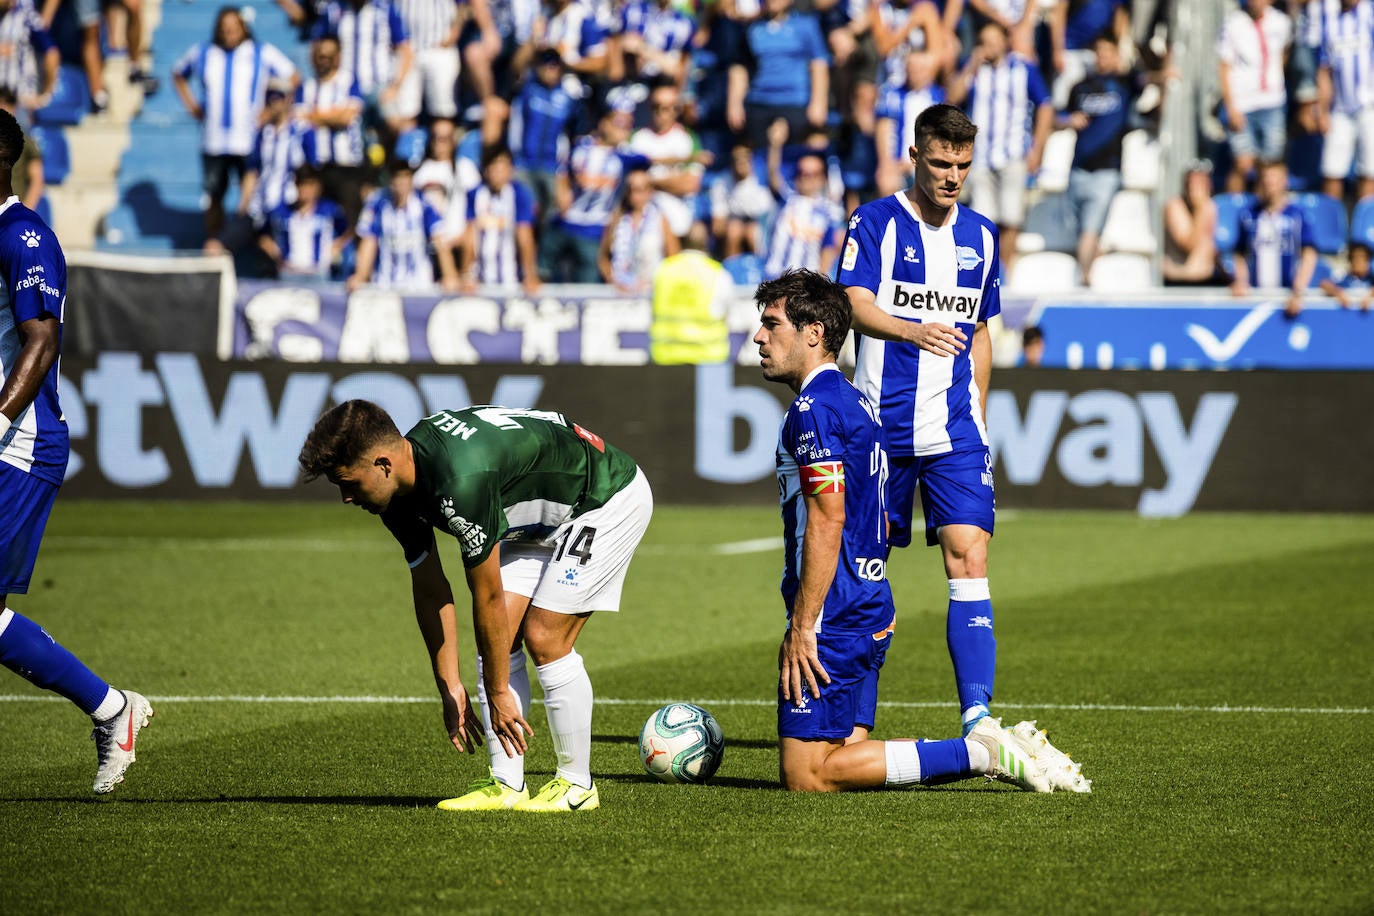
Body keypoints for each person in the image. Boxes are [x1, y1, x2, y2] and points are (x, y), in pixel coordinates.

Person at [752, 267, 1083, 794]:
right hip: (870, 602)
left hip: (835, 614)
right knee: (849, 756)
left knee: (809, 775)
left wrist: (803, 624)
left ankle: (980, 754)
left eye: (772, 324)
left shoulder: (813, 411)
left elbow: (828, 517)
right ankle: (976, 753)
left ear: (813, 332)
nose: (759, 337)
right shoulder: (857, 402)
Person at [297, 399, 655, 811]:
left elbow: (485, 596)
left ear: (382, 464)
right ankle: (507, 785)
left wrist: (498, 691)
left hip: (603, 498)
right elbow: (431, 589)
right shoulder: (395, 493)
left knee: (544, 637)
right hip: (533, 516)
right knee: (497, 643)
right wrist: (449, 687)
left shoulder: (460, 480)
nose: (345, 497)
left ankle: (577, 786)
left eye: (348, 483)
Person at [835, 103, 1006, 740]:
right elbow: (853, 303)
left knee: (969, 557)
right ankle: (854, 725)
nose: (952, 175)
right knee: (863, 570)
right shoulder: (875, 221)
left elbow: (981, 331)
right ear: (915, 157)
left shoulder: (984, 236)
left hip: (955, 432)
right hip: (881, 431)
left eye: (962, 164)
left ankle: (979, 718)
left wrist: (979, 412)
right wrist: (915, 331)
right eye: (940, 162)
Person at [0, 109, 152, 794]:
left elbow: (40, 342)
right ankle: (113, 708)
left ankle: (112, 707)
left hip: (18, 444)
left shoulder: (24, 235)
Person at [172, 6, 298, 251]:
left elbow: (293, 77)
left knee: (250, 199)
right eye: (224, 27)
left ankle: (248, 250)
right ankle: (216, 244)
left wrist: (270, 111)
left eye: (234, 27)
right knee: (213, 196)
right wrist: (193, 106)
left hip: (248, 139)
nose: (229, 32)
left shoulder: (261, 52)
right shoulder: (204, 52)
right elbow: (178, 73)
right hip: (214, 139)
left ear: (243, 27)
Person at [944, 19, 1053, 275]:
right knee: (984, 219)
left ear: (1005, 41)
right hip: (980, 157)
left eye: (994, 40)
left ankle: (1005, 274)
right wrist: (971, 64)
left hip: (1013, 152)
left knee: (1011, 217)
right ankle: (987, 273)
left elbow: (1046, 106)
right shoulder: (974, 71)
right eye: (985, 41)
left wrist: (1037, 149)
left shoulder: (1023, 69)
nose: (990, 46)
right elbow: (952, 97)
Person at [1060, 32, 1137, 282]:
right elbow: (1055, 116)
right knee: (1075, 228)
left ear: (1116, 55)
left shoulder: (1126, 84)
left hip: (1107, 170)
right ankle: (1092, 257)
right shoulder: (1080, 86)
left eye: (1108, 53)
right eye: (1099, 53)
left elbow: (1151, 77)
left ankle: (1085, 277)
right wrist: (1067, 121)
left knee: (1090, 228)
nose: (1103, 58)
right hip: (1078, 168)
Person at [349, 158, 460, 291]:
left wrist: (450, 275)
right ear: (390, 180)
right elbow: (369, 241)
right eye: (397, 177)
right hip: (385, 286)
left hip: (418, 286)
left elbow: (440, 241)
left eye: (405, 176)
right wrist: (360, 276)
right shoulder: (377, 205)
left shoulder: (425, 206)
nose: (401, 182)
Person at [1216, 0, 1293, 193]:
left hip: (1272, 102)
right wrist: (1231, 107)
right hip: (1243, 103)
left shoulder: (1281, 22)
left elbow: (1284, 54)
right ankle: (1235, 208)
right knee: (1242, 163)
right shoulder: (1233, 24)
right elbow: (1224, 67)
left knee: (1270, 165)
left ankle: (1266, 211)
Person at [1230, 159, 1318, 317]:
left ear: (1284, 181)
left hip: (1287, 297)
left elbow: (1308, 254)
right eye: (1265, 178)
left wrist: (1298, 291)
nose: (1269, 183)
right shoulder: (1248, 215)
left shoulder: (1297, 215)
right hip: (1255, 298)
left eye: (1274, 179)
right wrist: (1241, 280)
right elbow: (1239, 253)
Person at [459, 143, 541, 294]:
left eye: (502, 168)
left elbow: (524, 235)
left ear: (510, 170)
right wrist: (466, 274)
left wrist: (530, 274)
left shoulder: (519, 194)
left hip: (511, 280)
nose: (498, 173)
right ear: (486, 170)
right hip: (481, 280)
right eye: (494, 168)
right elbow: (470, 237)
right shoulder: (475, 194)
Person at [1313, 0, 1374, 201]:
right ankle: (1332, 225)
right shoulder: (1328, 17)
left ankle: (1366, 228)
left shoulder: (1370, 12)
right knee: (1332, 170)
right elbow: (1324, 69)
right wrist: (1322, 110)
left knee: (1369, 171)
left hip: (1369, 107)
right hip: (1339, 109)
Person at [599, 164, 678, 294]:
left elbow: (673, 259)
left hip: (650, 290)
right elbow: (603, 257)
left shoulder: (660, 219)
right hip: (618, 291)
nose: (635, 196)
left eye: (640, 190)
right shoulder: (617, 219)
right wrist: (612, 280)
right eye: (631, 190)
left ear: (649, 191)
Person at [1162, 161, 1226, 286]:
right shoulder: (1175, 206)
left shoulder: (1212, 206)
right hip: (1180, 283)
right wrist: (1200, 209)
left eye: (1201, 182)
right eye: (1192, 182)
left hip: (1207, 281)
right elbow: (1189, 245)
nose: (1195, 187)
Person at [1318, 240, 1374, 308]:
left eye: (1363, 258)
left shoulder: (1371, 279)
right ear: (1350, 261)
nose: (1359, 262)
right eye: (1355, 258)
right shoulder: (1346, 279)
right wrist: (1339, 294)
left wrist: (1370, 296)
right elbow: (1324, 284)